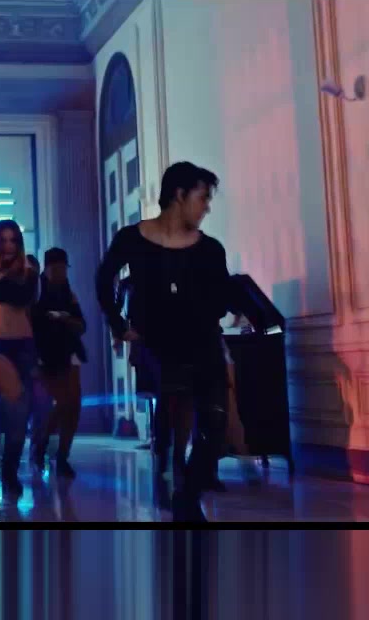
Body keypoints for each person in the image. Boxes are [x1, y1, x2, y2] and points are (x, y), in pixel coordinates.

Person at [95, 161, 233, 522]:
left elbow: (221, 299)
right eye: (202, 198)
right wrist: (118, 323)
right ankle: (175, 485)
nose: (206, 207)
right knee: (174, 416)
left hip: (203, 342)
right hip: (157, 343)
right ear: (180, 195)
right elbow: (105, 278)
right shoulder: (132, 238)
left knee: (215, 422)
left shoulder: (210, 249)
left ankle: (188, 492)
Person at [0, 220, 40, 495]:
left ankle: (8, 468)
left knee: (20, 413)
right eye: (2, 240)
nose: (8, 246)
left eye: (13, 240)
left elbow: (21, 298)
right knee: (14, 404)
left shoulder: (28, 271)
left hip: (23, 345)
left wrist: (0, 276)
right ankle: (7, 468)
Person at [31, 247, 87, 478]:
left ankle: (61, 453)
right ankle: (46, 445)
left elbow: (81, 324)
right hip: (48, 354)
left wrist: (66, 319)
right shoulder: (37, 290)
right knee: (64, 403)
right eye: (58, 268)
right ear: (48, 268)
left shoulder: (67, 291)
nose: (62, 273)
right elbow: (33, 322)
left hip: (68, 350)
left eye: (64, 268)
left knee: (73, 404)